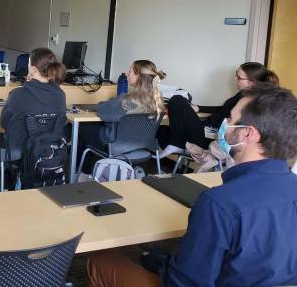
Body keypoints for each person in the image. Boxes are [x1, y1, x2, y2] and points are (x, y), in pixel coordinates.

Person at [86, 84, 297, 287]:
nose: (225, 123)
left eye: (231, 119)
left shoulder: (220, 203)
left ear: (247, 133)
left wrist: (161, 266)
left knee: (102, 262)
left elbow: (185, 283)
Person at [0, 48, 67, 188]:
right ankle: (15, 179)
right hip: (48, 151)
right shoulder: (60, 94)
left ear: (33, 69)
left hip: (18, 151)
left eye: (28, 62)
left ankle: (11, 181)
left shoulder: (19, 93)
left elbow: (4, 122)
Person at [158, 62, 279, 157]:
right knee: (161, 130)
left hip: (208, 137)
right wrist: (199, 108)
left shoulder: (247, 99)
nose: (235, 79)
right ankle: (178, 144)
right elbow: (223, 109)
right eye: (236, 74)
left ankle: (177, 144)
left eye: (239, 77)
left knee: (177, 99)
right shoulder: (244, 94)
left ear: (252, 82)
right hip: (205, 130)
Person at [77, 60, 165, 175]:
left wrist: (100, 104)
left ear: (138, 76)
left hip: (115, 144)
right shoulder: (157, 101)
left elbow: (104, 111)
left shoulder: (125, 101)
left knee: (81, 129)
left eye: (130, 72)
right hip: (145, 146)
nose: (128, 74)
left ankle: (79, 171)